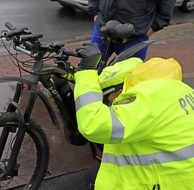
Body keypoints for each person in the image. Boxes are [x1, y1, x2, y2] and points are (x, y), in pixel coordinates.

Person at [74, 43, 194, 189]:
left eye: (110, 98)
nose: (111, 103)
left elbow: (94, 125)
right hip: (183, 174)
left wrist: (86, 73)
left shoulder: (145, 100)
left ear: (120, 89)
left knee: (93, 178)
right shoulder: (175, 87)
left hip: (169, 182)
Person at [88, 0, 176, 61]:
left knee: (129, 79)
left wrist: (149, 30)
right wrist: (94, 12)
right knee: (89, 71)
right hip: (103, 30)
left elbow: (165, 10)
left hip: (134, 38)